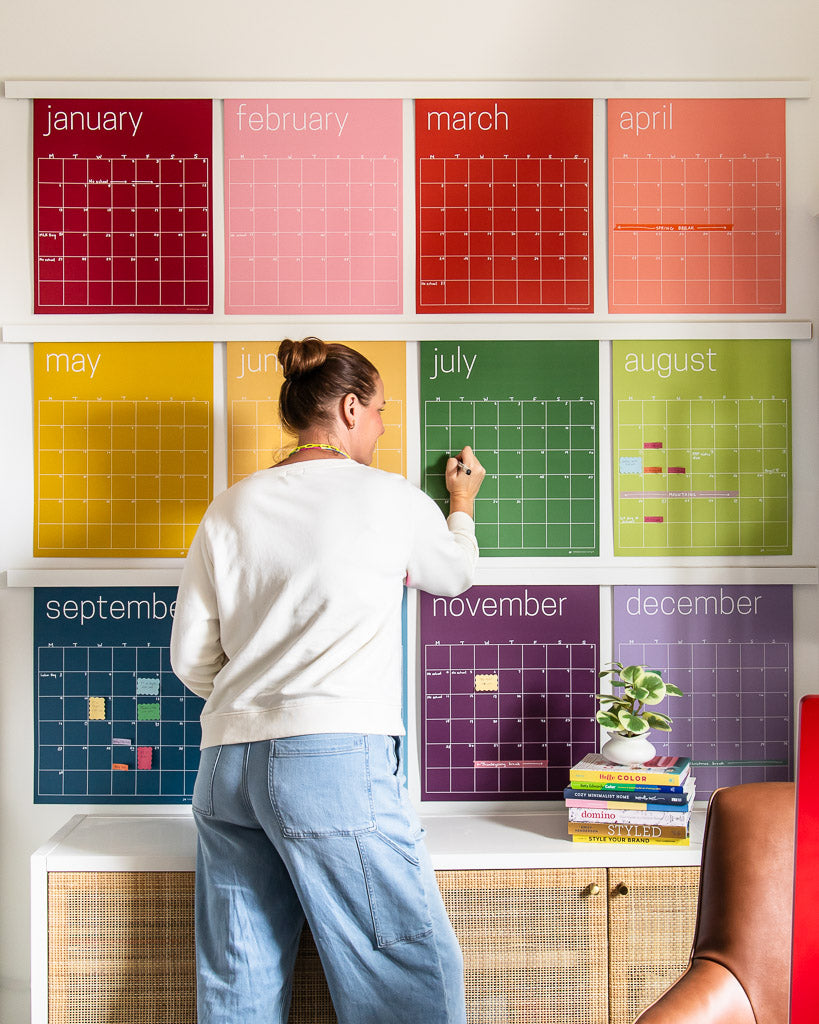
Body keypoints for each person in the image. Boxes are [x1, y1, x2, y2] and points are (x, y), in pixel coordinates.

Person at [170, 337, 485, 1024]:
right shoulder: (388, 497)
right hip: (333, 763)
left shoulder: (231, 508)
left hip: (226, 764)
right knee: (402, 970)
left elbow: (191, 656)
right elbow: (452, 575)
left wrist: (254, 702)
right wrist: (460, 502)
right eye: (377, 412)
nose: (379, 426)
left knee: (238, 977)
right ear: (347, 408)